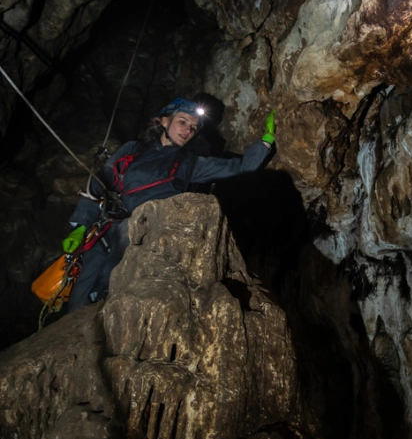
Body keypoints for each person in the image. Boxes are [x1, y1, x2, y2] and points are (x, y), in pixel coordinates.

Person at [60, 98, 276, 312]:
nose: (188, 130)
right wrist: (80, 227)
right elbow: (100, 186)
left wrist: (265, 141)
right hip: (105, 230)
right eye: (182, 122)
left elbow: (240, 167)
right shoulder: (132, 150)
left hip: (142, 236)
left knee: (109, 292)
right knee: (79, 297)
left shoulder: (189, 164)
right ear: (164, 121)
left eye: (193, 128)